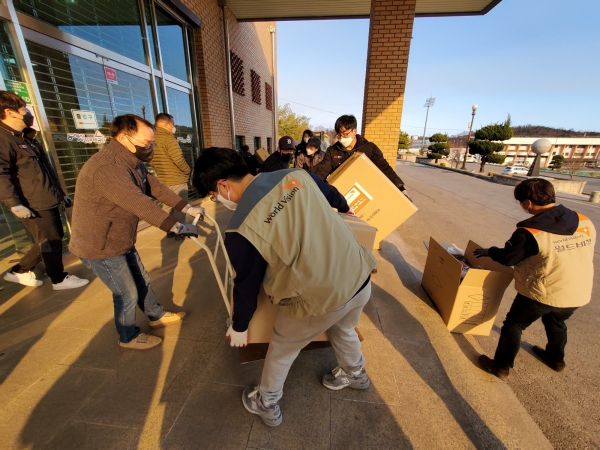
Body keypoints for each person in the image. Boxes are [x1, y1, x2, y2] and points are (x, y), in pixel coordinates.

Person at [192, 147, 376, 427]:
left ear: (222, 185)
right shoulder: (294, 175)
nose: (217, 200)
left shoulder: (240, 228)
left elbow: (247, 284)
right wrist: (345, 209)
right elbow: (330, 192)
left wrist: (239, 326)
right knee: (344, 327)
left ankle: (266, 401)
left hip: (320, 298)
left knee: (282, 348)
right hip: (358, 274)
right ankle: (356, 375)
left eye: (213, 195)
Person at [69, 114, 204, 350]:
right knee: (126, 293)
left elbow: (156, 188)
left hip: (120, 238)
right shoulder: (106, 168)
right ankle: (128, 336)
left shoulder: (132, 162)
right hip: (100, 245)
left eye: (152, 143)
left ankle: (156, 315)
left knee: (141, 279)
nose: (150, 148)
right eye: (146, 143)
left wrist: (188, 208)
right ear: (123, 138)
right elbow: (139, 203)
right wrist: (178, 226)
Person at [476, 179, 595, 380]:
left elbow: (508, 258)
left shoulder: (531, 232)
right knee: (556, 321)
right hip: (578, 290)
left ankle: (501, 366)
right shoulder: (583, 220)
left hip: (545, 291)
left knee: (514, 325)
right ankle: (556, 359)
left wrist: (491, 251)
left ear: (528, 203)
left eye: (520, 202)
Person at [0, 91, 88, 290]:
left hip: (46, 197)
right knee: (51, 239)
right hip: (31, 202)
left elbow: (44, 171)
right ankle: (58, 279)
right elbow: (1, 174)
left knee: (47, 238)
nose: (27, 112)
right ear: (10, 112)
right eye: (23, 108)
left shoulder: (27, 137)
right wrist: (14, 204)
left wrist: (60, 193)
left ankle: (20, 271)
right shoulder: (4, 139)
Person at [314, 115, 412, 201]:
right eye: (339, 134)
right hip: (342, 195)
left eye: (345, 134)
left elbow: (385, 168)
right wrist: (312, 186)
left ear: (354, 131)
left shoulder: (369, 148)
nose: (342, 137)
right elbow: (322, 171)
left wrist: (401, 189)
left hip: (366, 194)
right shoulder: (332, 151)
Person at [151, 113, 191, 238]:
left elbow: (150, 159)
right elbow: (178, 159)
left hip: (162, 179)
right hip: (177, 179)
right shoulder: (168, 139)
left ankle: (169, 230)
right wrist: (187, 170)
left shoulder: (152, 139)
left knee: (167, 206)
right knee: (180, 207)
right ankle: (180, 232)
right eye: (173, 124)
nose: (174, 127)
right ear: (167, 124)